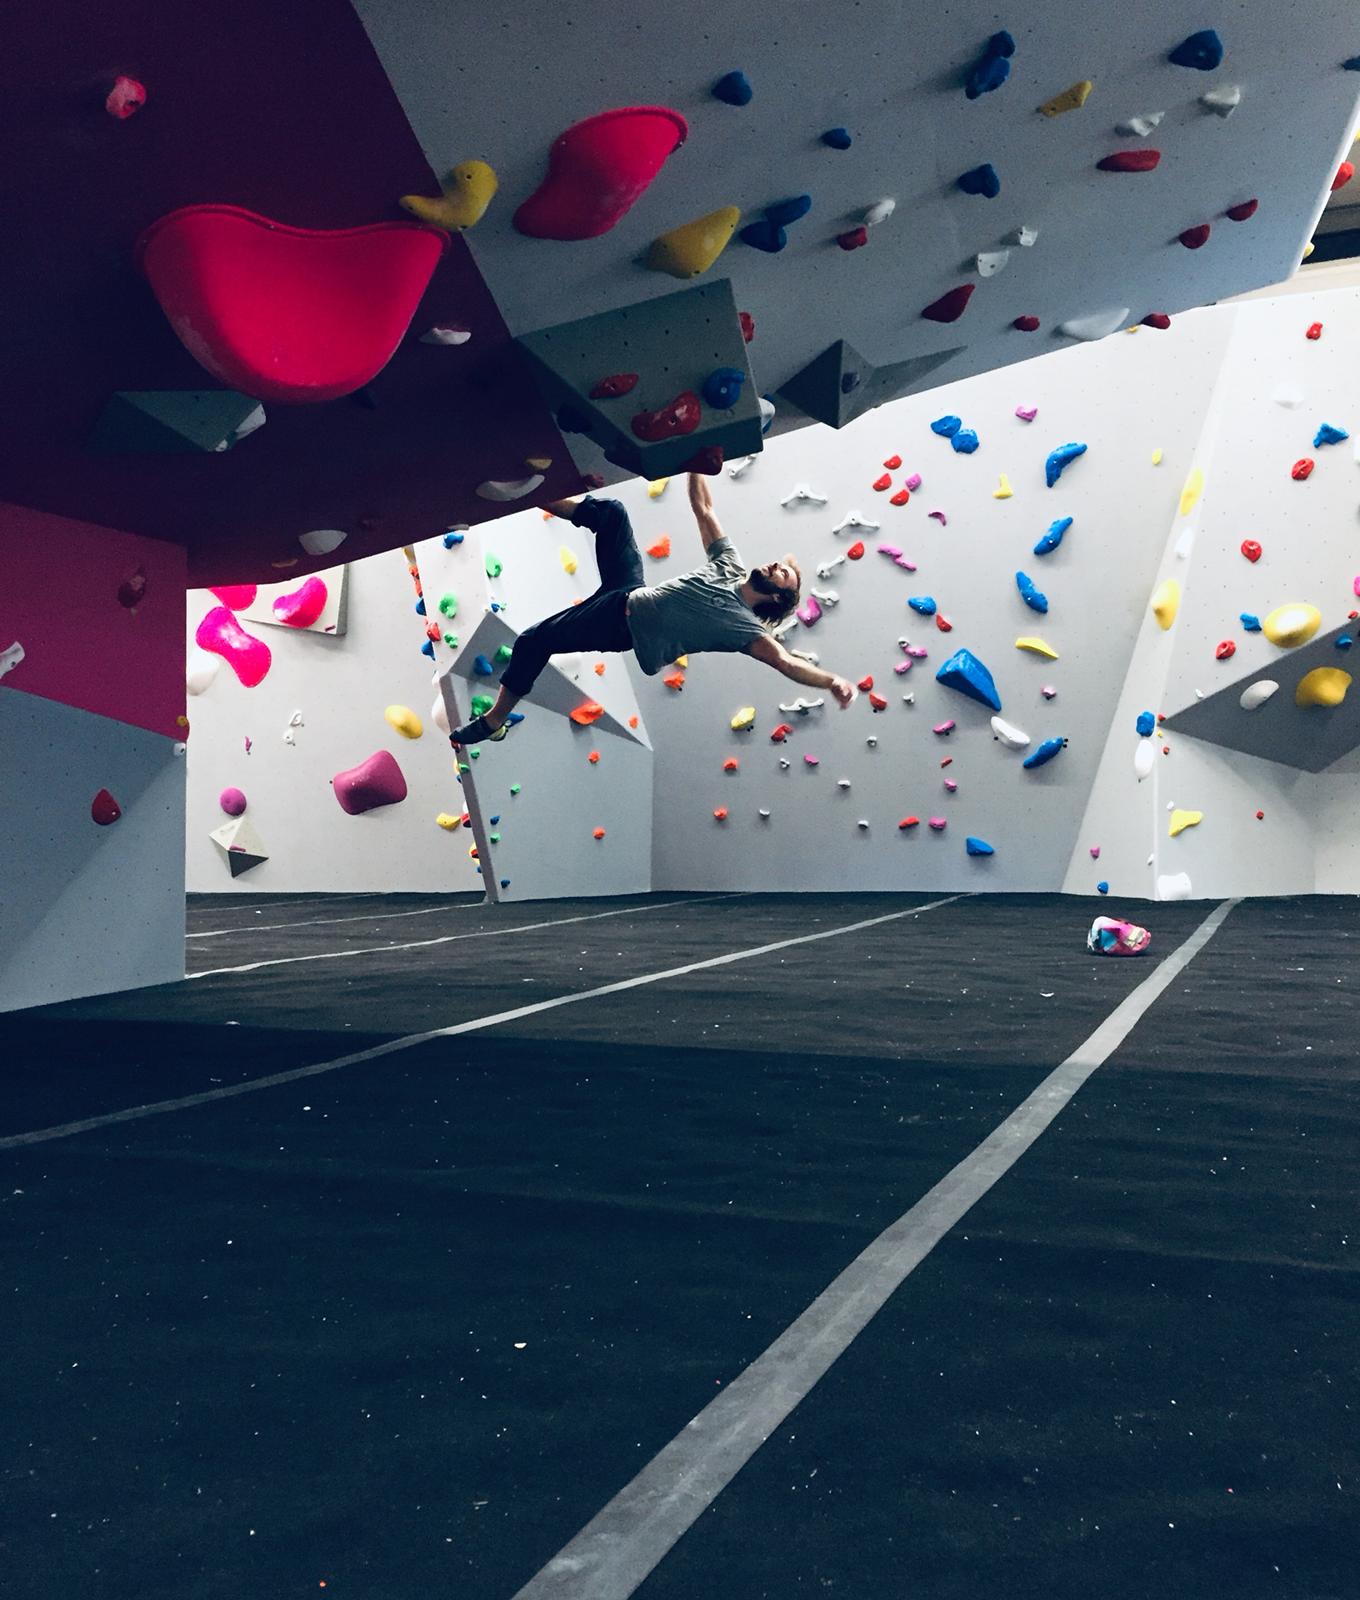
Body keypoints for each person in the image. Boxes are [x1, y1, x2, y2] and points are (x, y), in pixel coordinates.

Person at [449, 472, 857, 746]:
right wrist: (699, 460)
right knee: (613, 515)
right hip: (627, 590)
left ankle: (494, 720)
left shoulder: (745, 630)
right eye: (778, 564)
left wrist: (831, 681)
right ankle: (534, 491)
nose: (774, 566)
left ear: (778, 598)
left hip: (621, 627)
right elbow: (705, 508)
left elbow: (786, 663)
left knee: (533, 642)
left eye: (783, 574)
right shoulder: (729, 563)